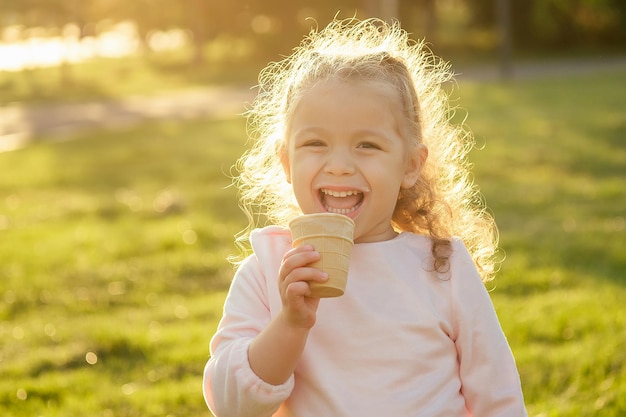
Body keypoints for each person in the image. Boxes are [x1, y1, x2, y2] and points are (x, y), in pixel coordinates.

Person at [203, 18, 527, 417]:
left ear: (410, 165)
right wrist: (290, 324)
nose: (339, 165)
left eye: (367, 145)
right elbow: (232, 405)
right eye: (315, 143)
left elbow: (498, 397)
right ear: (286, 162)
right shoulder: (268, 272)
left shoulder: (444, 266)